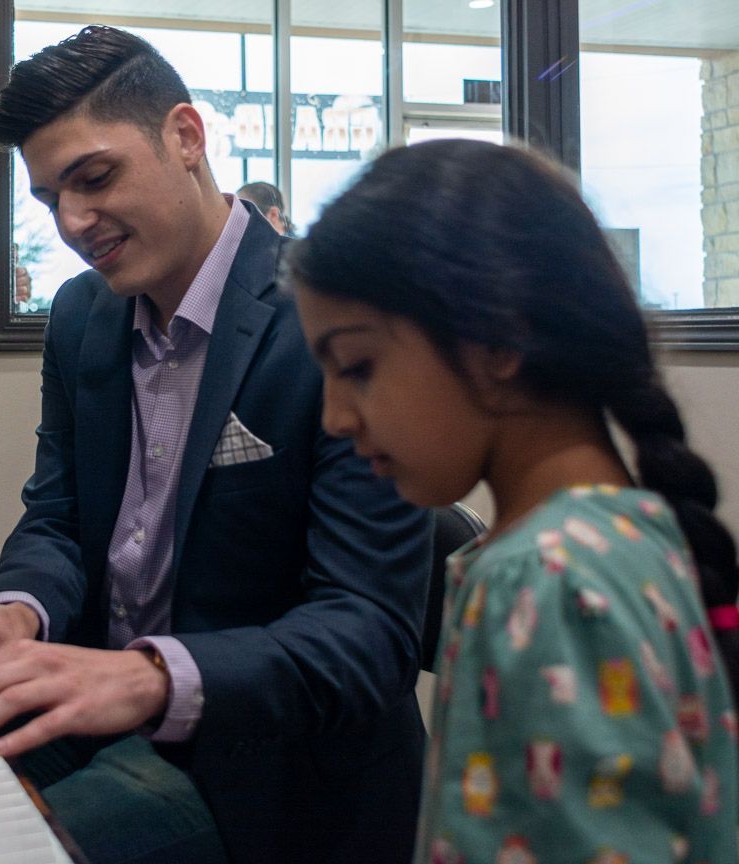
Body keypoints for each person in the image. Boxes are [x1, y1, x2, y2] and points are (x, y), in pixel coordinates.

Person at [0, 25, 431, 864]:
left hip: (273, 761)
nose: (71, 221)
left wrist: (148, 677)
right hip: (106, 703)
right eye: (49, 198)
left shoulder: (334, 317)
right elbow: (57, 519)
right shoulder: (80, 317)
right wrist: (15, 611)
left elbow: (369, 632)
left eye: (94, 179)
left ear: (185, 137)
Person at [287, 138, 739, 863]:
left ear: (497, 339)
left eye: (358, 366)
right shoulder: (628, 532)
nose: (335, 416)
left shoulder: (548, 578)